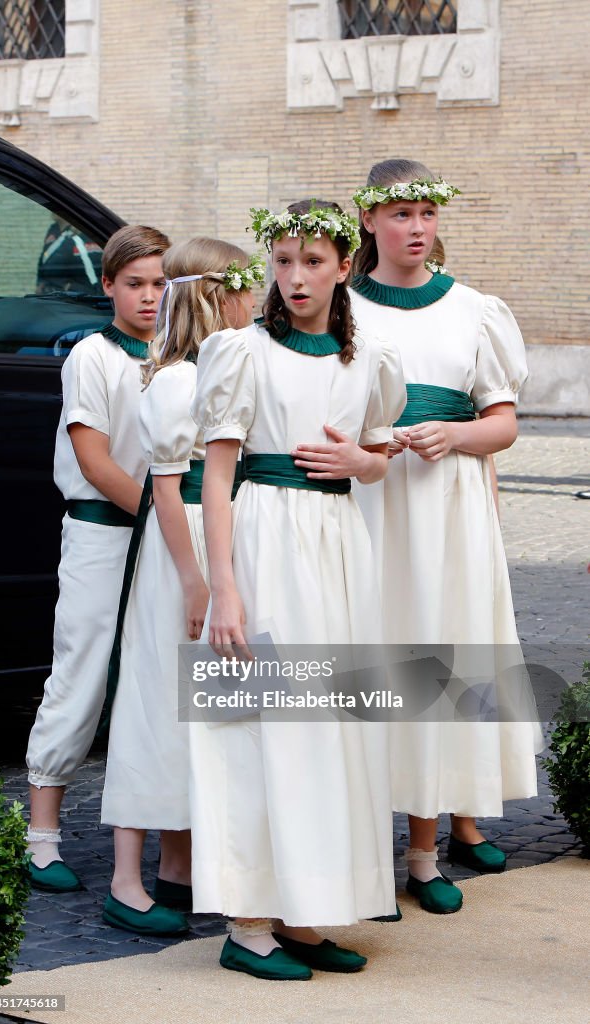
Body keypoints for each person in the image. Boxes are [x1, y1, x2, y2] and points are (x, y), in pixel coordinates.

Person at [189, 200, 406, 980]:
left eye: (313, 261)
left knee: (332, 731)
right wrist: (226, 591)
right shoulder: (241, 353)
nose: (295, 277)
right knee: (259, 728)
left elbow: (382, 454)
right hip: (265, 545)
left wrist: (365, 465)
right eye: (282, 261)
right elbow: (216, 478)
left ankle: (307, 915)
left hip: (340, 550)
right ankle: (247, 925)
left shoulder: (368, 359)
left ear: (345, 266)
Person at [335, 159, 541, 913]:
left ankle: (426, 853)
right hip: (370, 504)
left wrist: (454, 435)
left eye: (426, 213)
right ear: (368, 221)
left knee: (441, 655)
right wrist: (368, 448)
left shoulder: (475, 310)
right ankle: (356, 846)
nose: (416, 228)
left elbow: (504, 423)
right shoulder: (342, 307)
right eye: (400, 215)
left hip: (447, 508)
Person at [99, 238, 262, 935]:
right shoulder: (173, 380)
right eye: (246, 290)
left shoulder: (223, 370)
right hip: (181, 548)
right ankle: (126, 878)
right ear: (215, 297)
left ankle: (185, 868)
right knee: (161, 698)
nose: (255, 303)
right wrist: (196, 581)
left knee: (215, 703)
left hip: (220, 531)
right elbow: (166, 488)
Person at [25, 224, 170, 893]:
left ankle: (165, 836)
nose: (148, 296)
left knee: (153, 679)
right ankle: (41, 836)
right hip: (102, 533)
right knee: (80, 669)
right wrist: (162, 514)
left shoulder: (176, 356)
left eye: (159, 283)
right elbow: (93, 457)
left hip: (159, 540)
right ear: (108, 283)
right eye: (134, 283)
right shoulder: (92, 357)